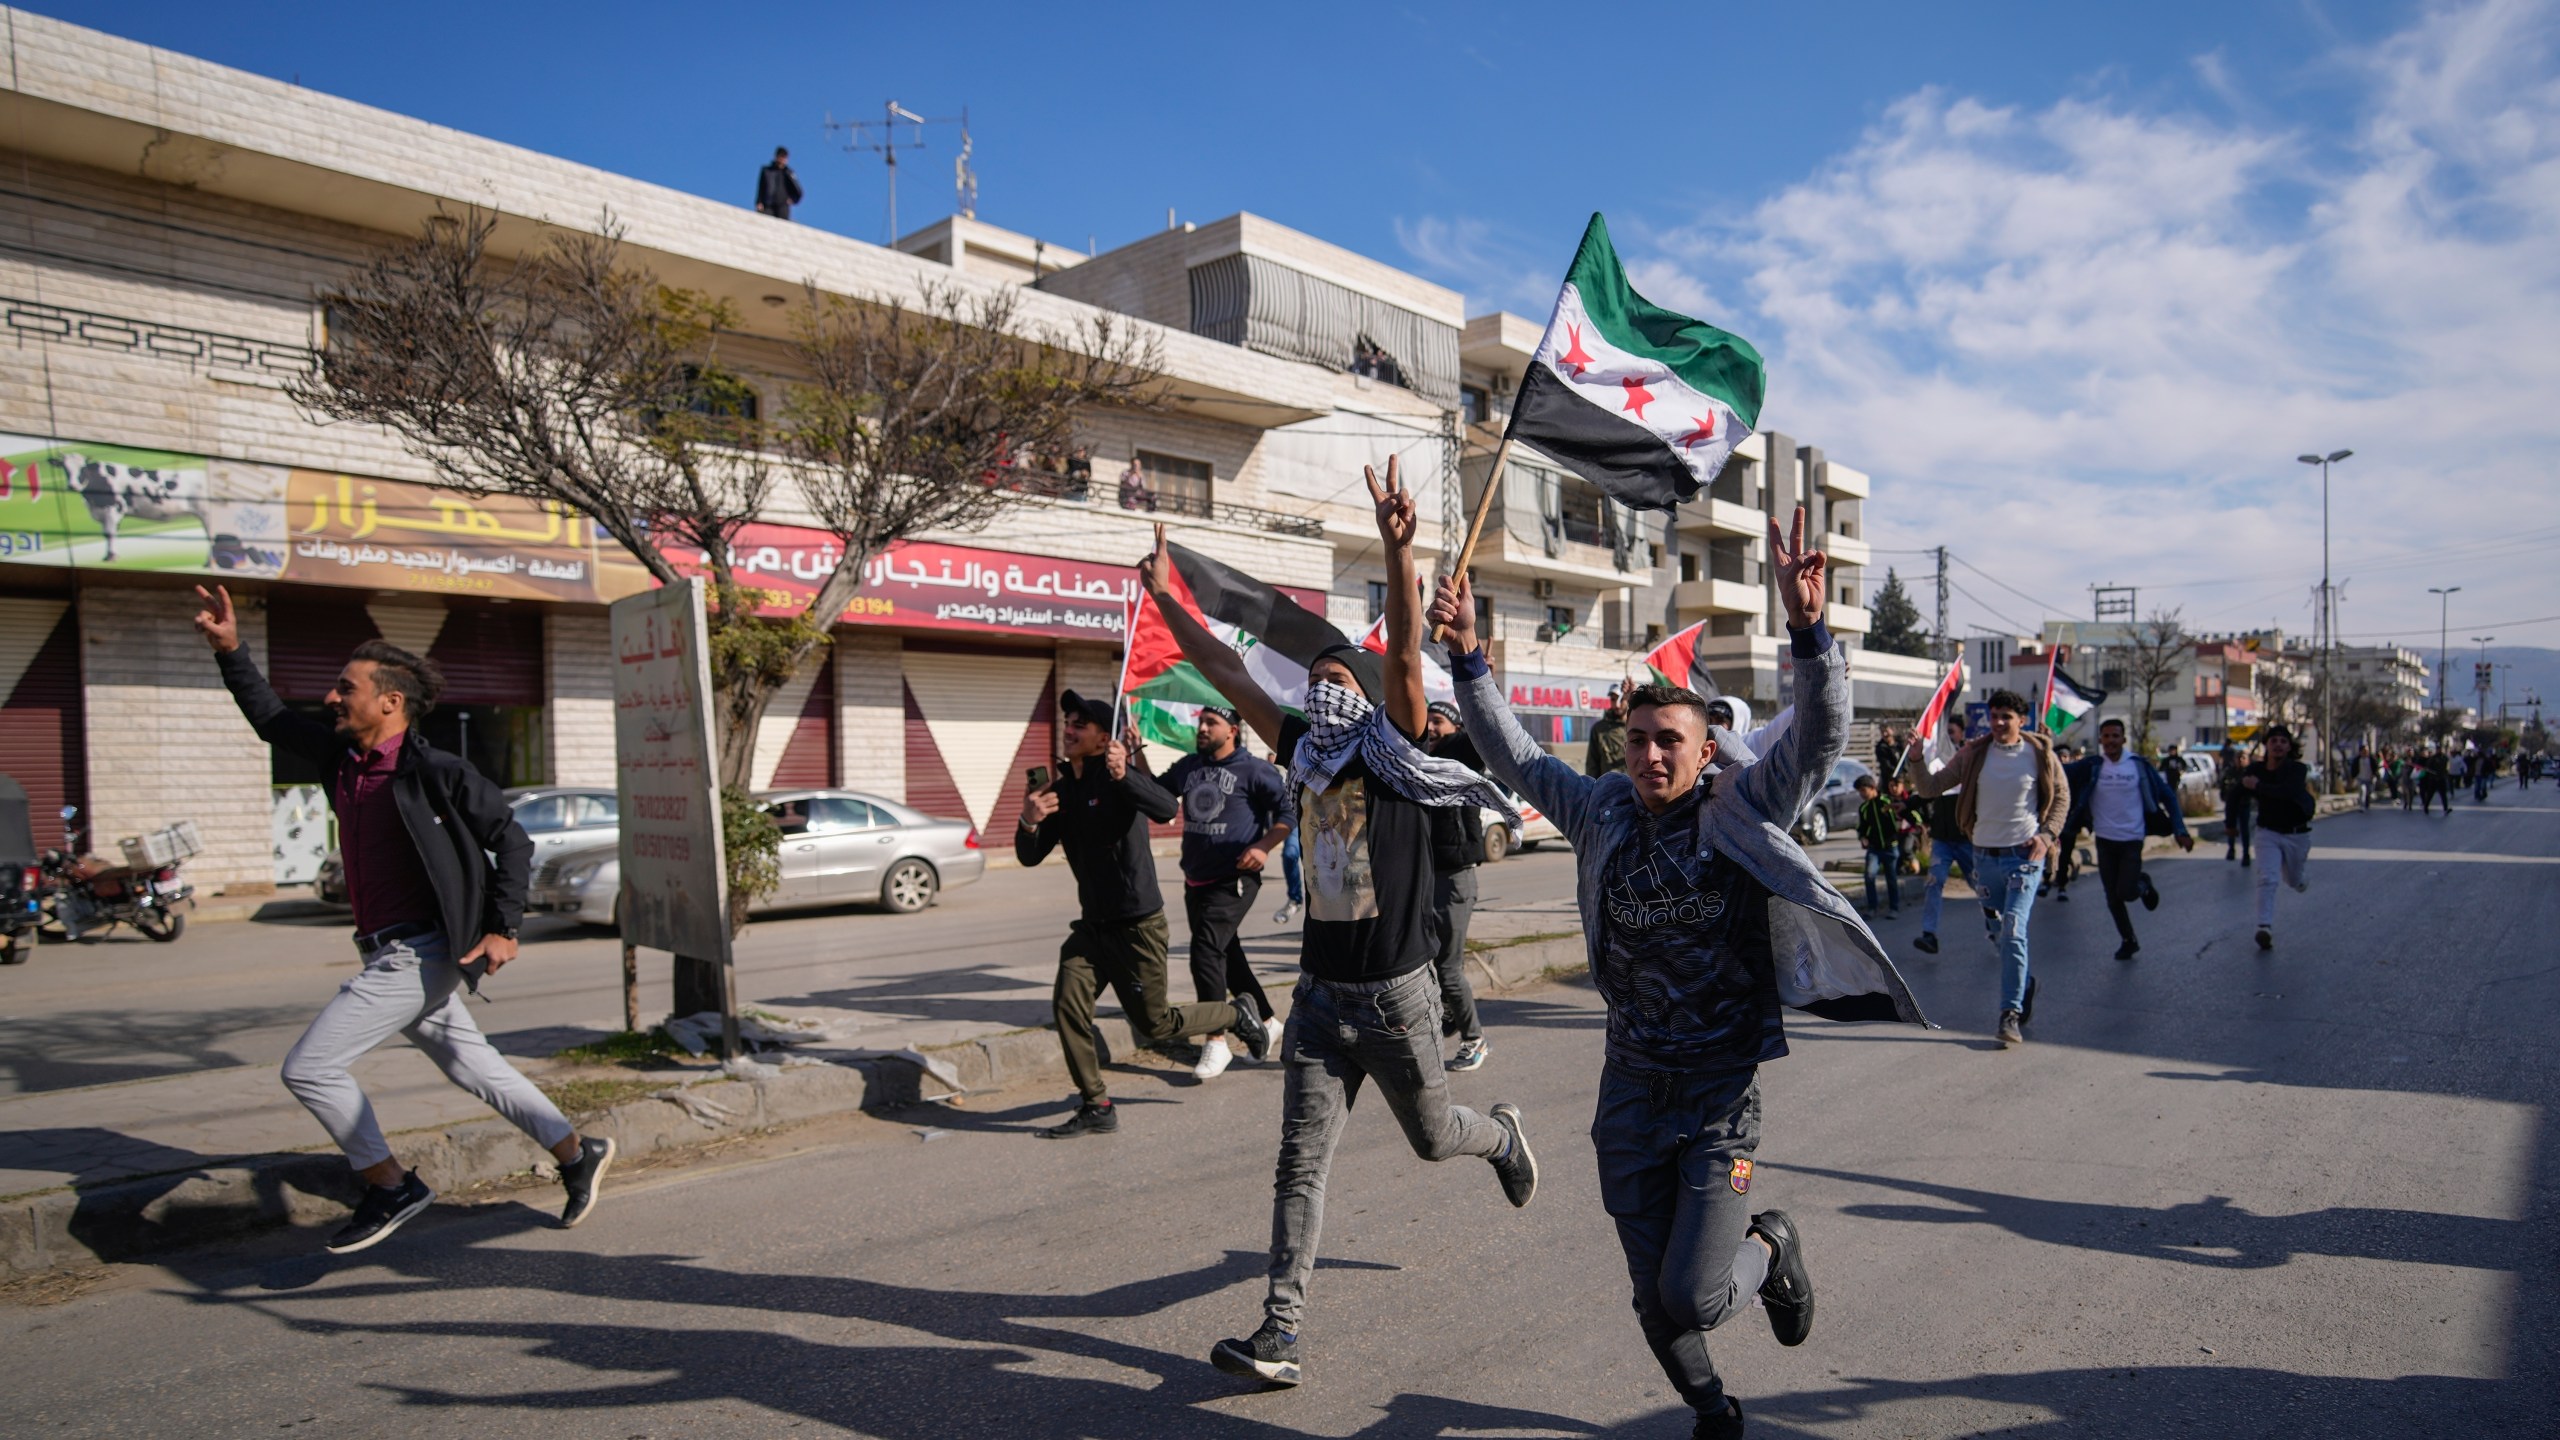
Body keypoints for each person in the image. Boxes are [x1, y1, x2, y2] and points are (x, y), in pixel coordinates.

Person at [1437, 505, 1927, 1439]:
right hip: (1629, 1092)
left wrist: (1811, 631)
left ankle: (1771, 1245)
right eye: (1640, 739)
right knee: (1650, 1299)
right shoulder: (1601, 813)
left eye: (1673, 740)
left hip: (1715, 1099)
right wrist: (1469, 661)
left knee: (1695, 1296)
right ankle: (1714, 1408)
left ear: (1705, 748)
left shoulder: (1740, 808)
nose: (1654, 754)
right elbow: (1517, 756)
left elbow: (1820, 739)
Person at [1139, 460, 1536, 1392]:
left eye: (1332, 677)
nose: (1317, 688)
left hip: (1398, 999)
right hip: (1319, 1002)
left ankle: (1505, 1138)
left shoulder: (1392, 754)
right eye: (1310, 677)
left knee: (1437, 1139)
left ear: (1366, 696)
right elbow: (1227, 668)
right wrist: (1168, 602)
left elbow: (1403, 651)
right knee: (1298, 1168)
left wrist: (1401, 551)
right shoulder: (1304, 754)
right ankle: (1279, 1332)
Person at [189, 585, 612, 1254]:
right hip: (380, 948)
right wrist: (231, 651)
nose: (332, 698)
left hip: (422, 952)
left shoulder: (437, 772)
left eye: (344, 687)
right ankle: (575, 1150)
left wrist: (504, 927)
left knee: (310, 1068)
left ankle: (389, 1185)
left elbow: (513, 839)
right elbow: (271, 719)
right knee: (473, 1064)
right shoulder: (342, 762)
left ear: (389, 702)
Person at [1016, 688, 1270, 1136]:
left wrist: (1125, 772)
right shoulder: (1061, 788)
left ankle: (1235, 1015)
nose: (1069, 730)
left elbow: (1166, 808)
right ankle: (1096, 1104)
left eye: (1081, 725)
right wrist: (1029, 819)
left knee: (1157, 1022)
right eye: (1068, 723)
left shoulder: (1118, 780)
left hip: (1137, 926)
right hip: (1092, 928)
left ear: (1102, 739)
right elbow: (1030, 857)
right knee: (1067, 1007)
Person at [1910, 688, 2068, 1048]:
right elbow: (1931, 788)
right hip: (1984, 858)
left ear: (2021, 720)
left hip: (2024, 857)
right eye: (1994, 716)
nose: (1998, 723)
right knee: (1998, 933)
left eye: (2006, 717)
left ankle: (2008, 1014)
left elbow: (2061, 797)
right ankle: (2025, 982)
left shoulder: (2040, 752)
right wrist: (1917, 759)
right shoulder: (1975, 753)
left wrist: (2046, 836)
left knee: (2013, 931)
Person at [1162, 705, 1294, 1081]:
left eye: (1211, 723)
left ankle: (1216, 1038)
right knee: (1226, 951)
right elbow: (1156, 793)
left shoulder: (1255, 769)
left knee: (1206, 950)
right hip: (1195, 877)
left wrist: (1264, 846)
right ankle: (1268, 1021)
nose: (1202, 728)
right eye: (1200, 722)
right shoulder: (1189, 766)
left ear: (1232, 730)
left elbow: (1289, 812)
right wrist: (1130, 766)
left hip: (1234, 877)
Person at [2063, 718, 2195, 961]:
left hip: (2131, 838)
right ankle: (2128, 940)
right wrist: (2042, 744)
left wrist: (2180, 830)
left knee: (2126, 891)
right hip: (2103, 839)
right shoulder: (2093, 765)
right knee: (2112, 896)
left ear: (2123, 739)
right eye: (2106, 736)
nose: (2111, 741)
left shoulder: (2138, 766)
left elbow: (2167, 796)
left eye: (2115, 736)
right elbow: (2059, 771)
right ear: (2100, 740)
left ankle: (2142, 884)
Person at [1423, 700, 1494, 1071]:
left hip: (1454, 878)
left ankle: (1475, 1039)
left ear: (1454, 727)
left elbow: (1481, 732)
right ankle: (1449, 1014)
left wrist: (1481, 688)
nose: (1430, 727)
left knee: (1448, 968)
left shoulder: (1461, 755)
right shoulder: (1423, 757)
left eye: (1438, 721)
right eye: (1427, 721)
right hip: (1427, 875)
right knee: (1430, 963)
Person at [2242, 725, 2316, 951]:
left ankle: (2298, 877)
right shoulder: (2255, 769)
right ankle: (2264, 926)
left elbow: (2287, 792)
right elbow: (2238, 792)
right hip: (2268, 832)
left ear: (2289, 747)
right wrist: (2229, 823)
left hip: (2296, 834)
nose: (2278, 745)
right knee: (2267, 877)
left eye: (2283, 741)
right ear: (2267, 745)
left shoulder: (2297, 769)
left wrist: (2259, 786)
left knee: (2293, 880)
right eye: (2273, 740)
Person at [1910, 788, 1984, 955]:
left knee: (1980, 886)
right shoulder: (1941, 773)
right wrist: (1905, 804)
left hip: (1966, 840)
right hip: (1942, 841)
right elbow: (1925, 792)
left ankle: (1995, 924)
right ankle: (1929, 935)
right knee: (1933, 882)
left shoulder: (1967, 771)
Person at [1853, 775, 1900, 917]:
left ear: (1872, 788)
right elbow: (1861, 827)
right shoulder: (1864, 808)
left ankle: (1894, 908)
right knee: (1869, 876)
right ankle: (1872, 908)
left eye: (1863, 790)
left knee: (1891, 878)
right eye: (1859, 791)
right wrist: (1863, 838)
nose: (1861, 794)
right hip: (1874, 849)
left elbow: (1898, 819)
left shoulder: (1887, 802)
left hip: (1890, 847)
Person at [2222, 745, 2257, 864]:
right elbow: (2223, 785)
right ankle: (2231, 849)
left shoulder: (2249, 773)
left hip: (2244, 804)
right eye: (2238, 758)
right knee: (2231, 827)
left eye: (2243, 758)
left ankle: (2246, 853)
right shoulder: (2230, 772)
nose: (2240, 760)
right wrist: (2224, 797)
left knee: (2244, 829)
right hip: (2231, 806)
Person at [1587, 689, 1628, 775]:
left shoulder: (1636, 727)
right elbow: (1592, 765)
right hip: (1609, 785)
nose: (1617, 704)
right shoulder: (1599, 729)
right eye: (1613, 699)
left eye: (1621, 699)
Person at [754, 146, 803, 220]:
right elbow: (761, 188)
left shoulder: (788, 173)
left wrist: (793, 199)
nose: (783, 159)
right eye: (781, 156)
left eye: (785, 157)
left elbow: (798, 190)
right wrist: (759, 202)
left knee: (782, 226)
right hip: (768, 204)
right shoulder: (766, 171)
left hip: (782, 206)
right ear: (776, 156)